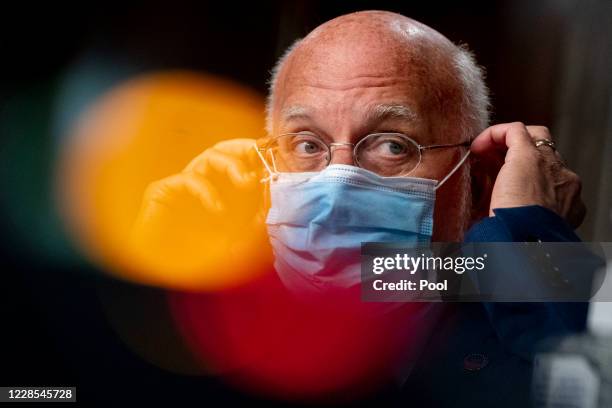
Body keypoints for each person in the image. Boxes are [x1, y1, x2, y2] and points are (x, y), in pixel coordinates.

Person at [132, 10, 588, 406]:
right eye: (307, 143)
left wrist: (533, 246)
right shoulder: (218, 338)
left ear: (478, 180)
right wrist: (154, 287)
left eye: (393, 145)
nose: (337, 185)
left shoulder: (530, 323)